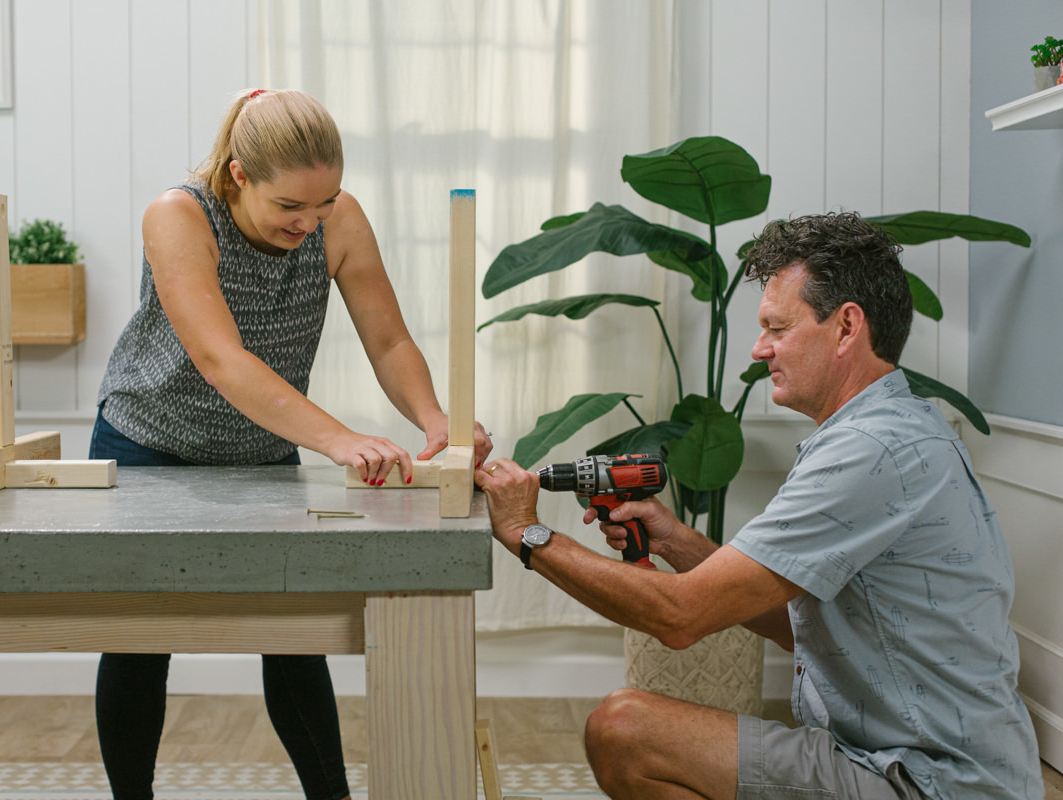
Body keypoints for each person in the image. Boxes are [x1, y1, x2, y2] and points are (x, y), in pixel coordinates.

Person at [474, 212, 1043, 800]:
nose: (758, 347)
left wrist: (526, 533)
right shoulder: (897, 425)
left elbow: (680, 618)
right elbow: (799, 627)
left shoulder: (869, 451)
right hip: (921, 763)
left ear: (846, 327)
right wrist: (674, 541)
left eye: (776, 327)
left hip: (930, 782)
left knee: (624, 730)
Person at [90, 88, 492, 800]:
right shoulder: (178, 215)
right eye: (290, 208)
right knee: (138, 641)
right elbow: (222, 360)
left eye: (325, 204)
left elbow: (390, 339)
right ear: (240, 175)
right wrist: (339, 440)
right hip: (149, 442)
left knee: (296, 638)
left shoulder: (339, 221)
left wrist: (435, 420)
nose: (310, 223)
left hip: (262, 443)